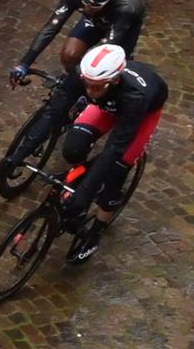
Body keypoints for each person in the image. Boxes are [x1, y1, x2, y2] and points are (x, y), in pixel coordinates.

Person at [8, 0, 148, 171]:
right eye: (85, 1)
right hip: (98, 20)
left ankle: (87, 98)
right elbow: (51, 27)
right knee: (70, 55)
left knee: (99, 68)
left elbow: (102, 53)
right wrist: (25, 62)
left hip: (120, 28)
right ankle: (74, 93)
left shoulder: (125, 8)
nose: (88, 6)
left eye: (94, 3)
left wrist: (84, 81)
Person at [60, 44, 167, 263]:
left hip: (139, 114)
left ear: (115, 80)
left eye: (96, 87)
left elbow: (115, 148)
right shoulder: (91, 80)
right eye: (86, 84)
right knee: (73, 147)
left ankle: (94, 233)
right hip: (109, 104)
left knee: (116, 170)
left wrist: (86, 192)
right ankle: (80, 177)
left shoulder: (134, 97)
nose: (89, 91)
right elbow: (58, 106)